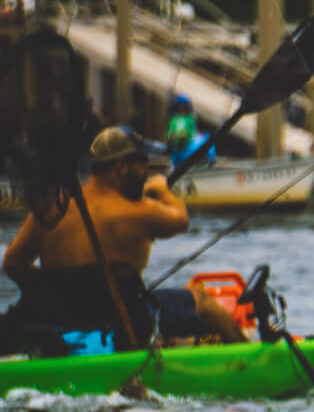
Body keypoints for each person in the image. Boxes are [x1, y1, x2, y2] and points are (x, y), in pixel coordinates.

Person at [3, 127, 246, 345]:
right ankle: (252, 359)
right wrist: (162, 189)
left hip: (58, 321)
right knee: (200, 299)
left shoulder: (51, 210)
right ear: (121, 167)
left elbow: (12, 264)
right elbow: (180, 219)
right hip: (125, 322)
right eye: (143, 164)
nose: (146, 172)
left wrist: (51, 295)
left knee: (167, 301)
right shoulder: (138, 211)